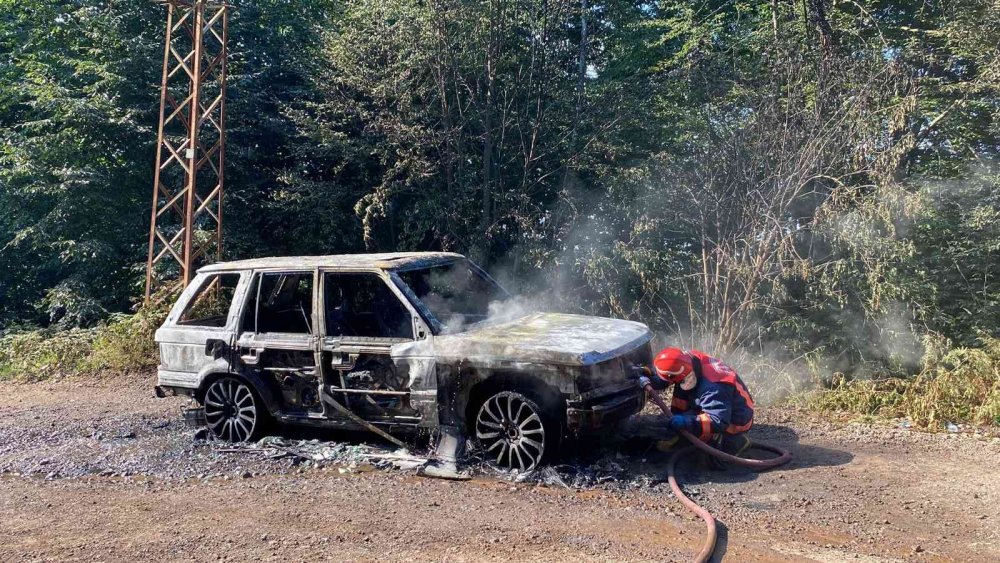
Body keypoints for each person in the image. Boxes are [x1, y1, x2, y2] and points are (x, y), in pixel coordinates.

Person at [637, 347, 755, 459]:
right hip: (716, 402)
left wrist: (686, 421)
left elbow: (718, 420)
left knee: (715, 459)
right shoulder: (687, 361)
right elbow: (669, 378)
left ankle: (736, 441)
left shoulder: (714, 387)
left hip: (734, 419)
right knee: (682, 392)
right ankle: (683, 436)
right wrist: (649, 379)